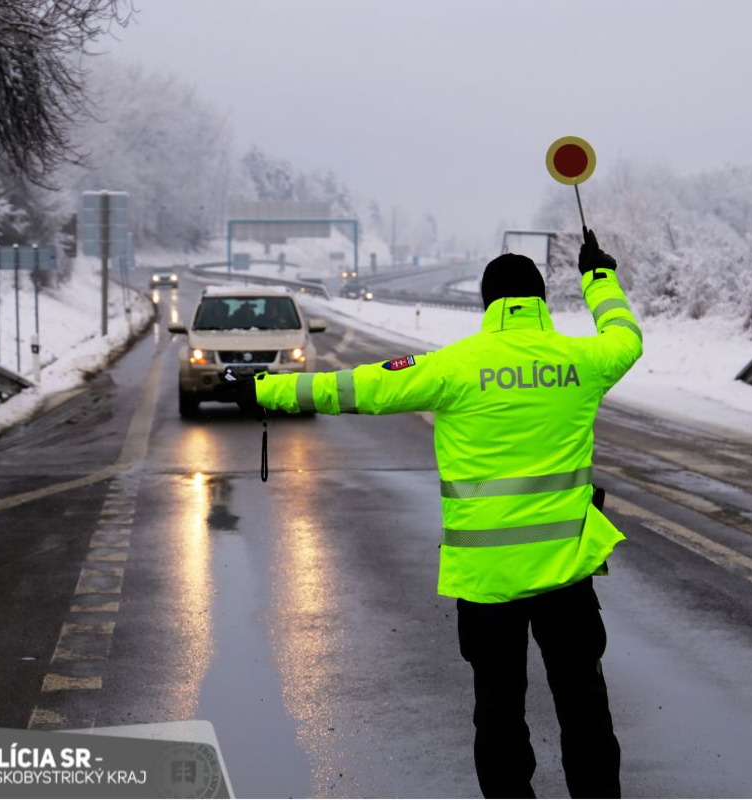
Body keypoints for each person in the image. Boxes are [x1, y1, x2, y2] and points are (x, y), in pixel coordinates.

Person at [232, 228, 641, 798]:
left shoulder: (453, 366)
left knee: (498, 711)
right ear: (541, 301)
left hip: (485, 582)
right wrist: (600, 279)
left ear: (487, 304)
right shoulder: (581, 361)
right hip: (566, 575)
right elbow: (626, 338)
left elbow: (356, 388)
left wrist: (266, 391)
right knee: (583, 706)